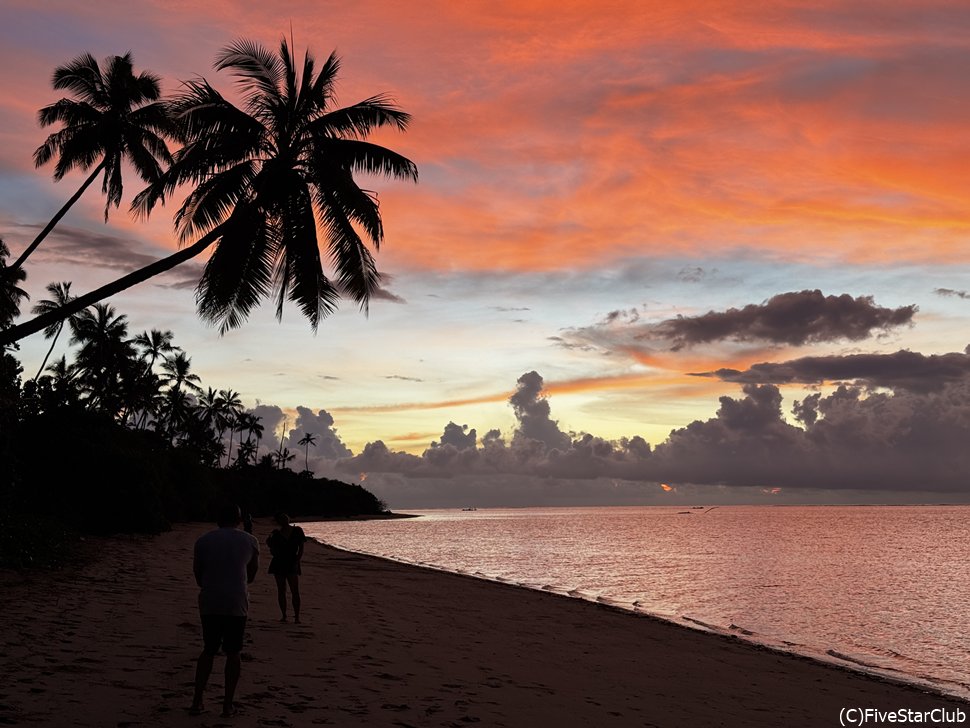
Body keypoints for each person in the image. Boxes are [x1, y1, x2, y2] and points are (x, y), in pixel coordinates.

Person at [190, 503, 259, 718]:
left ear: (218, 519)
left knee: (209, 649)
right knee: (233, 652)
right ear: (239, 520)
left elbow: (198, 574)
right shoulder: (250, 541)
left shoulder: (203, 541)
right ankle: (227, 704)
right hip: (236, 601)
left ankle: (197, 700)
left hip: (210, 599)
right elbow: (252, 575)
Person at [267, 513, 306, 623]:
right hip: (279, 562)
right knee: (281, 590)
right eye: (281, 519)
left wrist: (297, 560)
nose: (284, 520)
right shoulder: (275, 533)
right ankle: (284, 615)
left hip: (292, 562)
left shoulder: (297, 530)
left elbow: (301, 548)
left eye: (285, 518)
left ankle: (296, 617)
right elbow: (271, 547)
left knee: (294, 590)